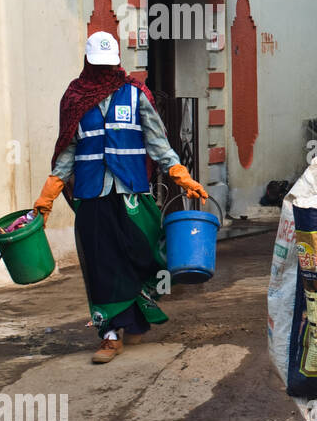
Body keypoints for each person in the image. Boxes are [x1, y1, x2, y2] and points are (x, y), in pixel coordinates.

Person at [33, 31, 209, 363]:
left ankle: (137, 318)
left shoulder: (135, 95)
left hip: (131, 192)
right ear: (87, 63)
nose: (103, 72)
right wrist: (47, 197)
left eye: (108, 65)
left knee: (145, 254)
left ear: (117, 63)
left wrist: (181, 176)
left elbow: (158, 144)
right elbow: (66, 154)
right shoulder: (74, 100)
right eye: (98, 66)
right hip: (91, 195)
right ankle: (111, 335)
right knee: (102, 264)